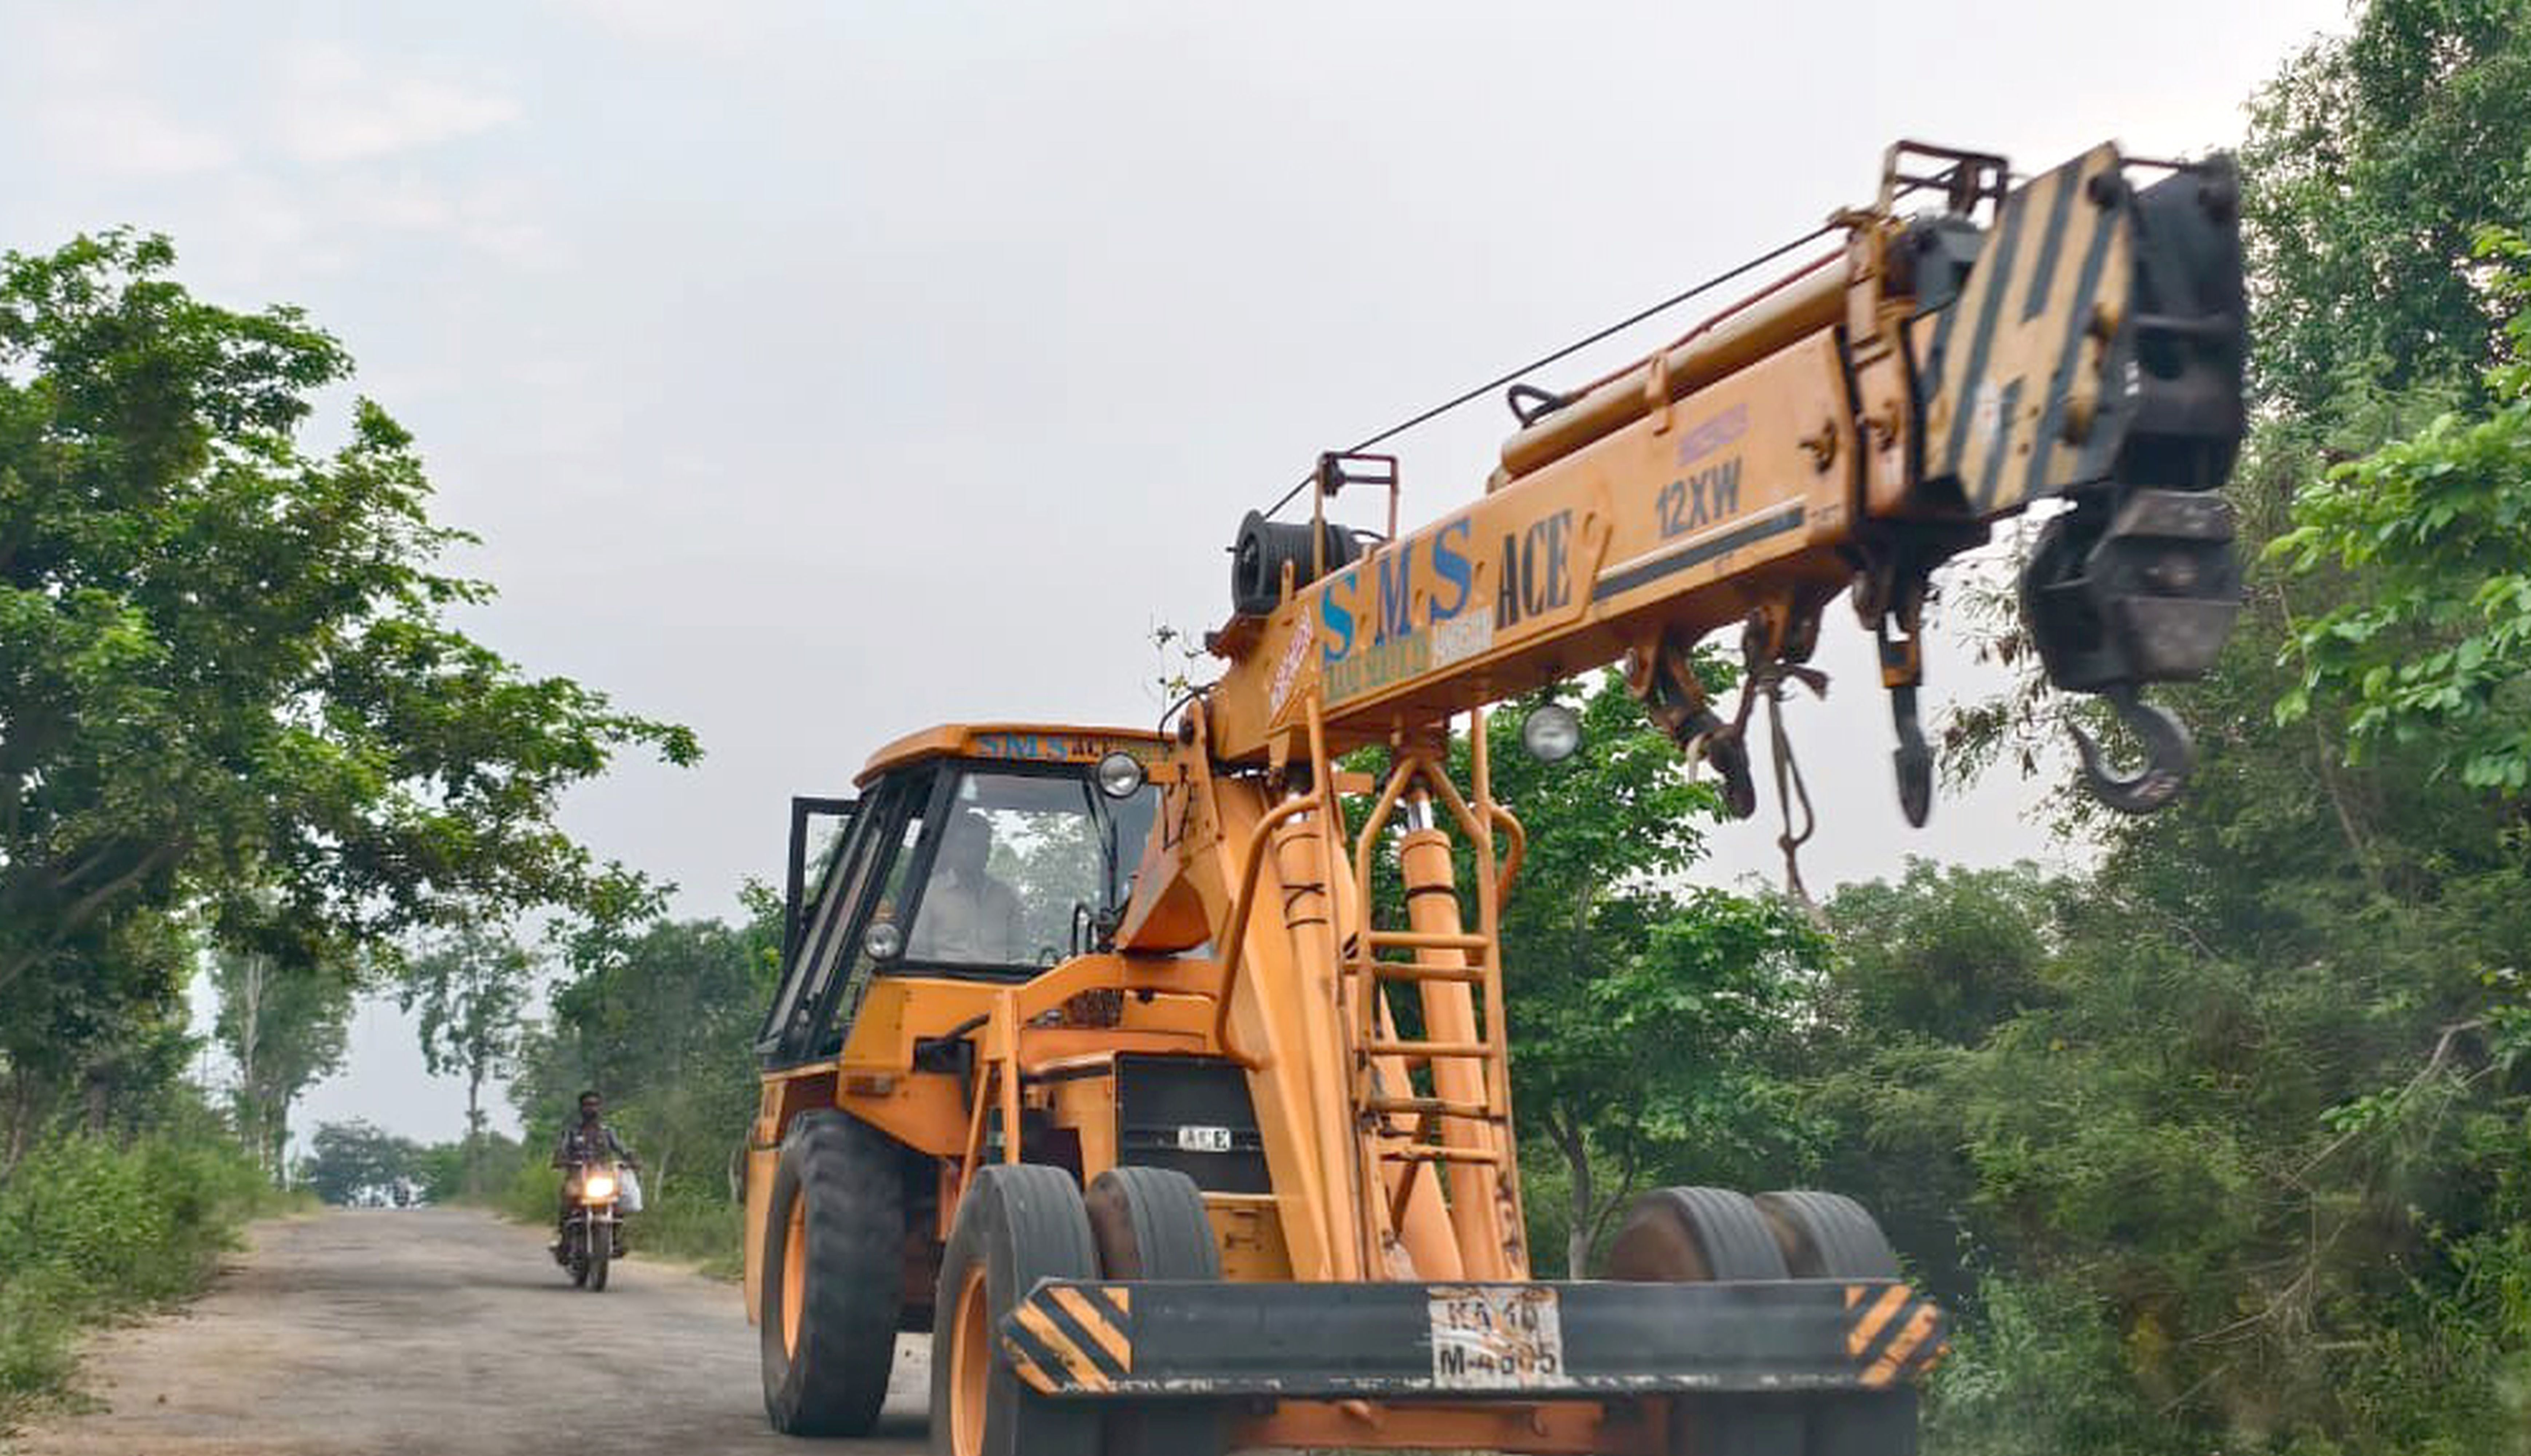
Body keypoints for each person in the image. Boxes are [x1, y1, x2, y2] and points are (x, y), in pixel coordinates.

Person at [910, 810, 1026, 963]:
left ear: (988, 851)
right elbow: (917, 952)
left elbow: (1017, 954)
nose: (972, 853)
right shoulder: (930, 893)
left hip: (999, 982)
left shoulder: (1006, 896)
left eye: (979, 846)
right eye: (966, 845)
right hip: (944, 980)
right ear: (953, 849)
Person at [553, 1090, 636, 1247]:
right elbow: (562, 1148)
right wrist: (560, 1159)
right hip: (577, 1177)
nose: (592, 1108)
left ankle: (616, 1237)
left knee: (620, 1200)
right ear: (581, 1108)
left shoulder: (607, 1131)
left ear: (600, 1108)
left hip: (603, 1177)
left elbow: (620, 1147)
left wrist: (632, 1158)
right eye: (588, 1105)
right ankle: (564, 1239)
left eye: (596, 1105)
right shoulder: (572, 1131)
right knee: (567, 1197)